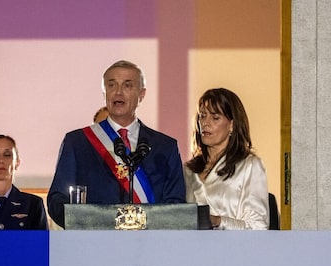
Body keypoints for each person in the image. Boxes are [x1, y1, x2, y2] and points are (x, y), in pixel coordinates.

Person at [47, 60, 186, 228]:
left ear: (141, 94)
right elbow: (57, 199)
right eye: (112, 85)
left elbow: (176, 204)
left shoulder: (165, 146)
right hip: (94, 245)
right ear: (104, 93)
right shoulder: (77, 142)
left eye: (127, 86)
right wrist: (85, 223)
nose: (118, 92)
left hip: (149, 246)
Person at [184, 88, 269, 230]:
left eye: (215, 117)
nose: (205, 123)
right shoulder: (187, 170)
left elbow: (258, 227)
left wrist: (218, 221)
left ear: (232, 125)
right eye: (202, 116)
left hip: (232, 249)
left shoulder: (250, 165)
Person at [0, 134, 48, 230]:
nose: (1, 160)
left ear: (17, 162)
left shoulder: (32, 204)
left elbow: (40, 243)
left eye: (7, 155)